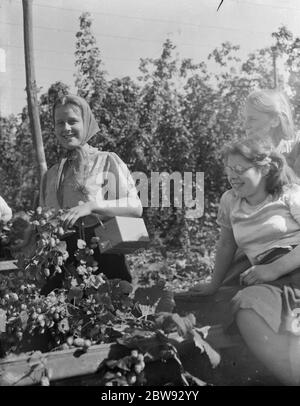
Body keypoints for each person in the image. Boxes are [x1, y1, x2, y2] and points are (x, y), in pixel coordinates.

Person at [193, 138, 300, 385]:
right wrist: (213, 284)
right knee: (246, 306)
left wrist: (274, 269)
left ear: (263, 168)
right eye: (229, 169)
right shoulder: (230, 201)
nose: (232, 176)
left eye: (240, 169)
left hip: (293, 264)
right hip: (266, 276)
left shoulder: (288, 194)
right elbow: (226, 245)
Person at [40, 94, 143, 294]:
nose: (66, 128)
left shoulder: (106, 161)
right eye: (59, 123)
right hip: (63, 265)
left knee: (107, 318)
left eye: (72, 121)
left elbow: (135, 207)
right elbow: (46, 223)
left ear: (86, 122)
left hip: (106, 258)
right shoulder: (52, 174)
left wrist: (91, 206)